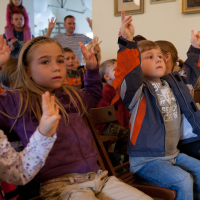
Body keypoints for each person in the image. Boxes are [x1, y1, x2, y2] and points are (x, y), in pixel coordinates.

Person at [0, 34, 152, 200]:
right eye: (45, 62)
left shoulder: (71, 94)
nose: (56, 67)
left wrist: (92, 68)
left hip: (99, 177)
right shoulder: (17, 100)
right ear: (27, 69)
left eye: (60, 61)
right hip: (60, 185)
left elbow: (93, 93)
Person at [113, 10, 200, 200]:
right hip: (146, 161)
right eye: (149, 57)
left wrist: (195, 49)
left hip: (173, 154)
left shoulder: (173, 84)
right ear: (137, 64)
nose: (158, 59)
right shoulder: (137, 91)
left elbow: (190, 76)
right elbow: (128, 73)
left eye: (159, 56)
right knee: (183, 180)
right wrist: (127, 43)